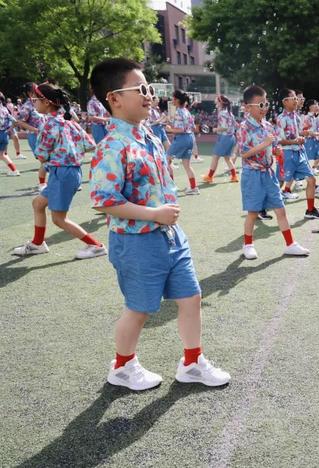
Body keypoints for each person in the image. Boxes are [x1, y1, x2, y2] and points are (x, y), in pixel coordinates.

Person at [89, 57, 230, 390]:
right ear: (114, 98)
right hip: (137, 241)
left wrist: (163, 216)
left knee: (191, 297)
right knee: (139, 309)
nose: (150, 95)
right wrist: (153, 214)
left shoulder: (149, 136)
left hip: (170, 235)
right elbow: (104, 201)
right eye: (141, 89)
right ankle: (122, 368)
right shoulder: (112, 145)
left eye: (150, 88)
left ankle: (192, 362)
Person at [12, 82, 105, 259]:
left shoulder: (49, 125)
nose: (34, 103)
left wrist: (58, 155)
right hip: (70, 173)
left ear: (46, 102)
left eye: (35, 99)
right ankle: (38, 244)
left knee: (59, 219)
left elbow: (41, 156)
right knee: (38, 204)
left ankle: (96, 246)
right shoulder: (69, 122)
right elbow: (90, 145)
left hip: (61, 174)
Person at [237, 85, 311, 260]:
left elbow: (274, 144)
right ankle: (248, 244)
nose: (265, 108)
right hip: (253, 175)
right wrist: (264, 144)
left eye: (266, 103)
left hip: (269, 173)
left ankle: (290, 244)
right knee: (253, 212)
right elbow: (243, 153)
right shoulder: (244, 127)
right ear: (248, 107)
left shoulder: (268, 125)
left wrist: (276, 150)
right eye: (260, 105)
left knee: (280, 209)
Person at [277, 88, 319, 220]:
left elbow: (299, 133)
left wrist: (304, 136)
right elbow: (279, 141)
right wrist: (295, 140)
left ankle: (310, 210)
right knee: (279, 183)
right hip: (287, 154)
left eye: (297, 98)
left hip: (299, 153)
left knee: (311, 179)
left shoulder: (297, 117)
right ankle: (261, 209)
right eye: (294, 98)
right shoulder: (281, 119)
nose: (297, 100)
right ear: (285, 101)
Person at [166, 89, 199, 195]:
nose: (172, 100)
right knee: (187, 164)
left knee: (166, 161)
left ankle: (170, 188)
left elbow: (181, 130)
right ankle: (193, 188)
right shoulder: (186, 111)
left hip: (182, 138)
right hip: (190, 138)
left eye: (173, 98)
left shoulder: (178, 111)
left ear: (176, 99)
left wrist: (170, 129)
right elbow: (192, 127)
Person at [202, 94, 238, 184]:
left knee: (215, 157)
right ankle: (234, 176)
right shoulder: (229, 113)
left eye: (217, 99)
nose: (215, 100)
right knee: (227, 159)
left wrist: (215, 129)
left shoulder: (222, 113)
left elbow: (224, 127)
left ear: (221, 102)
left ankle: (209, 177)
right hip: (231, 137)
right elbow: (234, 125)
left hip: (225, 138)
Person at [0, 93, 21, 175]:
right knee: (2, 155)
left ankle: (14, 170)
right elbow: (15, 121)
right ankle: (14, 170)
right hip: (5, 135)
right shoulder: (5, 109)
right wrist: (10, 129)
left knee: (2, 155)